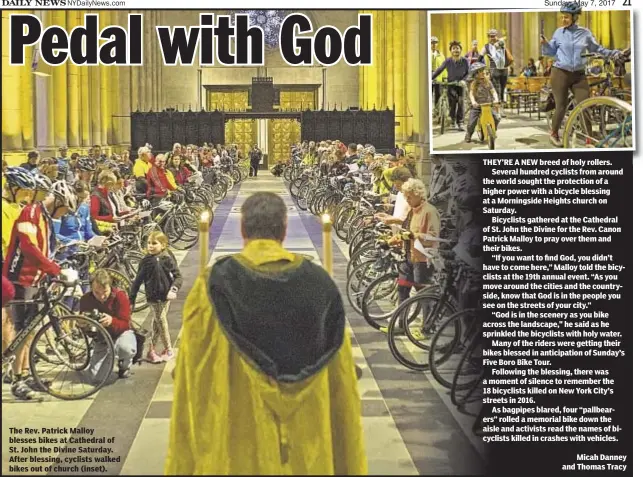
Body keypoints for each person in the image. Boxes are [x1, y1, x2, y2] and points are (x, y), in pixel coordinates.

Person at [165, 192, 367, 475]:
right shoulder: (320, 285)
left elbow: (194, 371)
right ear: (284, 230)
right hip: (306, 448)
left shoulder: (213, 286)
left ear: (242, 229)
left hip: (237, 448)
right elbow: (341, 379)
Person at [4, 179, 77, 400]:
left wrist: (55, 267)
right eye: (64, 209)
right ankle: (17, 379)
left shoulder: (45, 217)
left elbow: (46, 249)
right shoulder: (30, 213)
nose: (64, 214)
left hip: (35, 281)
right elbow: (29, 248)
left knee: (31, 330)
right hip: (20, 280)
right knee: (21, 331)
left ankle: (27, 374)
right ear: (56, 201)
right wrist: (54, 270)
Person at [540, 1, 622, 147]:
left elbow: (598, 48)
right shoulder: (558, 32)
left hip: (578, 74)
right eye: (562, 16)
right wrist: (545, 44)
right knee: (561, 105)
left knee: (585, 105)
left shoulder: (585, 33)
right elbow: (551, 52)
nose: (563, 19)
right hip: (560, 73)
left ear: (575, 17)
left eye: (566, 17)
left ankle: (589, 139)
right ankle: (553, 133)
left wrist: (614, 53)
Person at [388, 178, 440, 320]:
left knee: (423, 295)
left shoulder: (430, 211)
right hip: (408, 257)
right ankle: (400, 324)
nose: (407, 199)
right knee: (402, 289)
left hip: (422, 260)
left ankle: (427, 326)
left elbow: (433, 236)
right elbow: (405, 232)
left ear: (418, 194)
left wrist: (414, 235)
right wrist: (389, 242)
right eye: (405, 196)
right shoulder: (411, 211)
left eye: (409, 196)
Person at [129, 231, 182, 363]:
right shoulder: (146, 261)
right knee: (162, 322)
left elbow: (178, 276)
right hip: (153, 298)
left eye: (154, 243)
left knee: (157, 324)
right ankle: (169, 349)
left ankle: (151, 350)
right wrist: (132, 300)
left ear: (163, 245)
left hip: (166, 297)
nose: (150, 246)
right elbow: (137, 282)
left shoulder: (166, 258)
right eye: (148, 243)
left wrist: (173, 289)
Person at [79, 269, 137, 380]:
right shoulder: (86, 300)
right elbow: (85, 329)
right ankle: (107, 359)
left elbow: (126, 323)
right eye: (97, 292)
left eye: (105, 292)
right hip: (101, 339)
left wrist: (112, 321)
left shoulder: (120, 296)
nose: (101, 296)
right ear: (91, 288)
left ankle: (124, 365)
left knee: (125, 348)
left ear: (110, 286)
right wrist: (82, 324)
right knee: (95, 378)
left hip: (120, 333)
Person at [431, 41, 469, 131]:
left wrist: (464, 80)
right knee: (452, 103)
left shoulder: (465, 61)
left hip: (461, 85)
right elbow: (439, 70)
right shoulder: (448, 61)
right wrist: (431, 78)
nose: (456, 50)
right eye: (453, 48)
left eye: (457, 48)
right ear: (451, 51)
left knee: (460, 102)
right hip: (450, 84)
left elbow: (469, 73)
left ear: (460, 50)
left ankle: (460, 122)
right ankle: (452, 121)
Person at [479, 29, 513, 117]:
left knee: (502, 89)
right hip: (494, 70)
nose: (492, 38)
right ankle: (498, 109)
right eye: (491, 36)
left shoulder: (501, 44)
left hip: (504, 69)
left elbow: (507, 55)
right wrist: (482, 68)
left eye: (494, 36)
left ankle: (499, 108)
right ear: (488, 37)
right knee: (497, 89)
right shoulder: (486, 47)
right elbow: (480, 57)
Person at [465, 62, 501, 143]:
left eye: (482, 71)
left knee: (497, 118)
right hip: (477, 106)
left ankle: (492, 130)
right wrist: (473, 102)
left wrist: (495, 99)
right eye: (479, 71)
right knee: (471, 122)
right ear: (475, 74)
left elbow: (493, 91)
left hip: (488, 105)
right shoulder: (473, 83)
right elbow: (471, 94)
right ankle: (468, 134)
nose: (482, 73)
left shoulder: (488, 82)